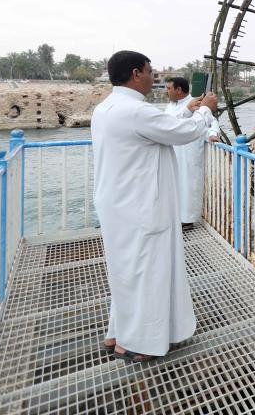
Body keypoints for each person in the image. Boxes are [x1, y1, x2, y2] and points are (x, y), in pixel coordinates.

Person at [92, 50, 218, 362]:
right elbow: (184, 133)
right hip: (142, 206)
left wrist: (188, 109)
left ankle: (118, 332)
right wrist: (206, 110)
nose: (153, 78)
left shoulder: (106, 108)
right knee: (148, 273)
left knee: (126, 271)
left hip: (117, 203)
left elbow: (162, 126)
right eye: (150, 71)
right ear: (136, 74)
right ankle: (139, 343)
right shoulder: (137, 111)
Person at [164, 76, 219, 231]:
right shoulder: (171, 105)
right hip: (173, 151)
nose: (166, 91)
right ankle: (175, 217)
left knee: (188, 185)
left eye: (169, 88)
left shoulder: (196, 103)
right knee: (174, 185)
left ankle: (187, 220)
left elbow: (212, 121)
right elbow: (168, 124)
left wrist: (212, 133)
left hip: (189, 151)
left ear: (179, 90)